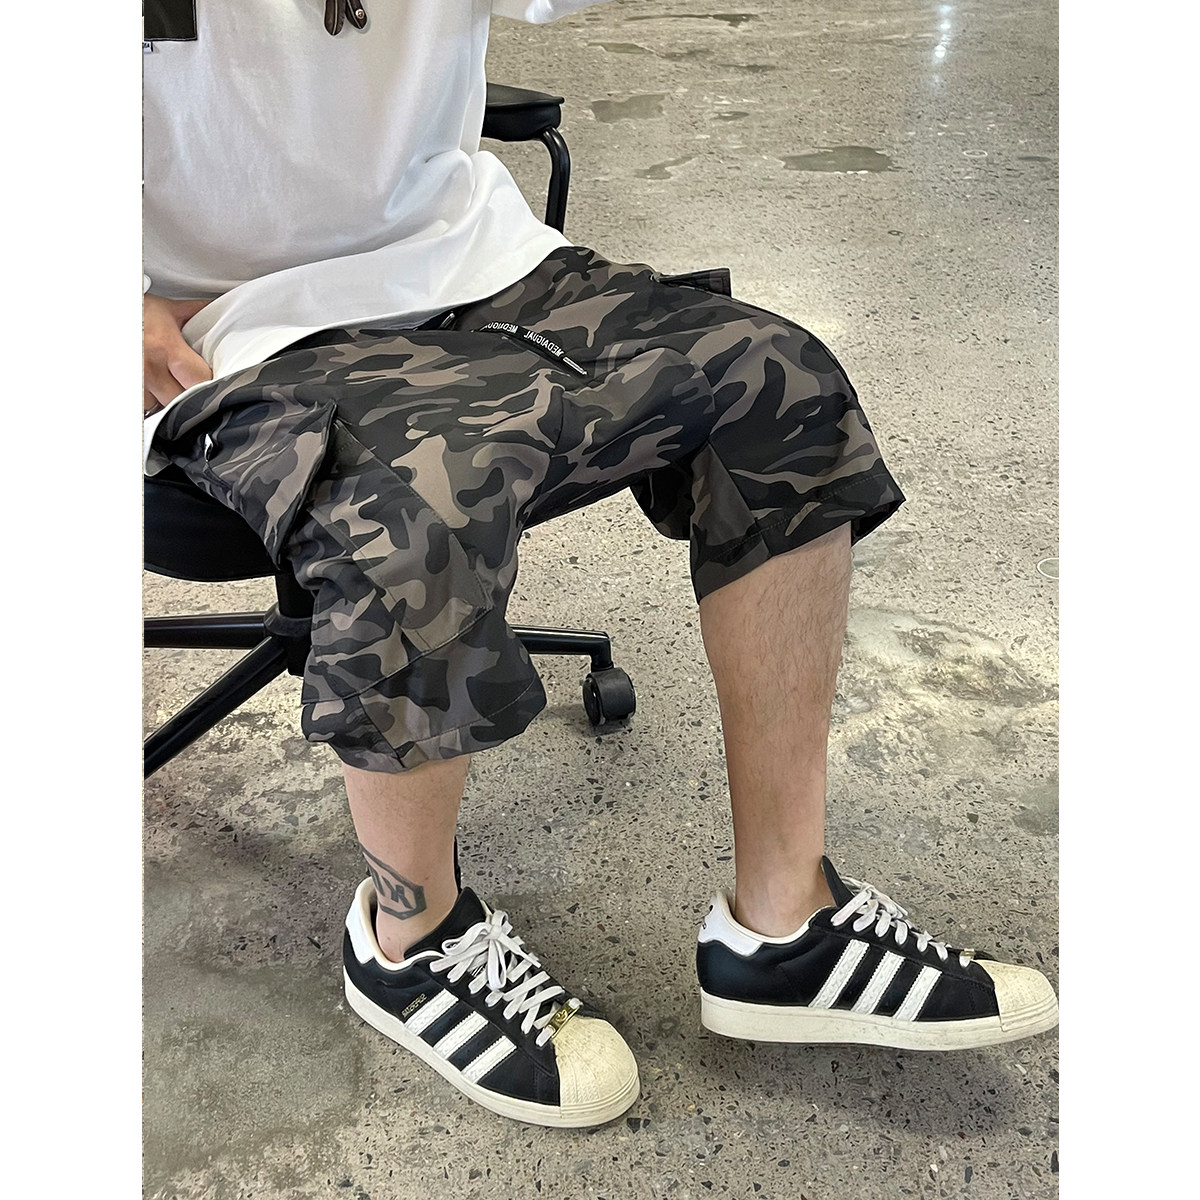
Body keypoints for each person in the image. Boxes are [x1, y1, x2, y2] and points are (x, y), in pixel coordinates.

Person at [143, 1, 1057, 1130]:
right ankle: (406, 940)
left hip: (469, 263)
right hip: (216, 329)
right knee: (420, 499)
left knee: (779, 383)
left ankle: (783, 926)